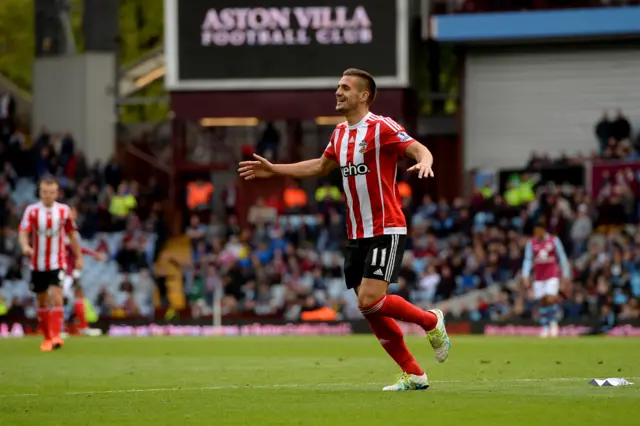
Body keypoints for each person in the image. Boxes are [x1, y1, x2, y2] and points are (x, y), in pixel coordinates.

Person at [238, 68, 450, 391]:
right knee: (370, 310)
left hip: (386, 228)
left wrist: (426, 160)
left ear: (363, 95)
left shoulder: (381, 128)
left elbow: (417, 147)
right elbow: (320, 166)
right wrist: (274, 169)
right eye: (338, 86)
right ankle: (415, 374)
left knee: (370, 300)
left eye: (345, 87)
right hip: (356, 234)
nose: (338, 92)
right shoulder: (339, 134)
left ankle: (431, 321)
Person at [18, 176, 83, 352]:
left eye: (51, 192)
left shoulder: (64, 211)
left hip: (57, 261)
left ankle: (55, 335)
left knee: (57, 296)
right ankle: (47, 337)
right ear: (40, 192)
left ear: (57, 193)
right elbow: (23, 232)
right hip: (37, 264)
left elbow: (71, 234)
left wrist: (78, 257)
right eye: (45, 192)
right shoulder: (31, 211)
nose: (48, 195)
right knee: (42, 301)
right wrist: (25, 246)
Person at [522, 218, 571, 338]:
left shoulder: (554, 240)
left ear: (543, 230)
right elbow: (528, 259)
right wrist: (525, 275)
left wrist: (566, 274)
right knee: (543, 302)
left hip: (552, 275)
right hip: (539, 276)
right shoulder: (531, 243)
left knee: (550, 298)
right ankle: (545, 326)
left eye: (538, 231)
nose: (536, 234)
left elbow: (562, 257)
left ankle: (553, 323)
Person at [61, 206, 105, 337]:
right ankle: (62, 329)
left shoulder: (72, 229)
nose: (73, 214)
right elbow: (71, 249)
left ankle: (79, 327)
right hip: (66, 271)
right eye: (70, 212)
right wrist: (92, 254)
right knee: (64, 299)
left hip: (72, 270)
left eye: (74, 212)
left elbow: (76, 248)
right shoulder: (65, 230)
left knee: (77, 296)